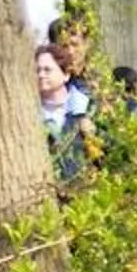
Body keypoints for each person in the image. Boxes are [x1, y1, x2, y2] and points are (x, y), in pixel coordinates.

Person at [35, 42, 95, 183]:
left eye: (47, 70)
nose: (41, 75)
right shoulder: (30, 113)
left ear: (66, 74)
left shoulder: (87, 107)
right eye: (37, 70)